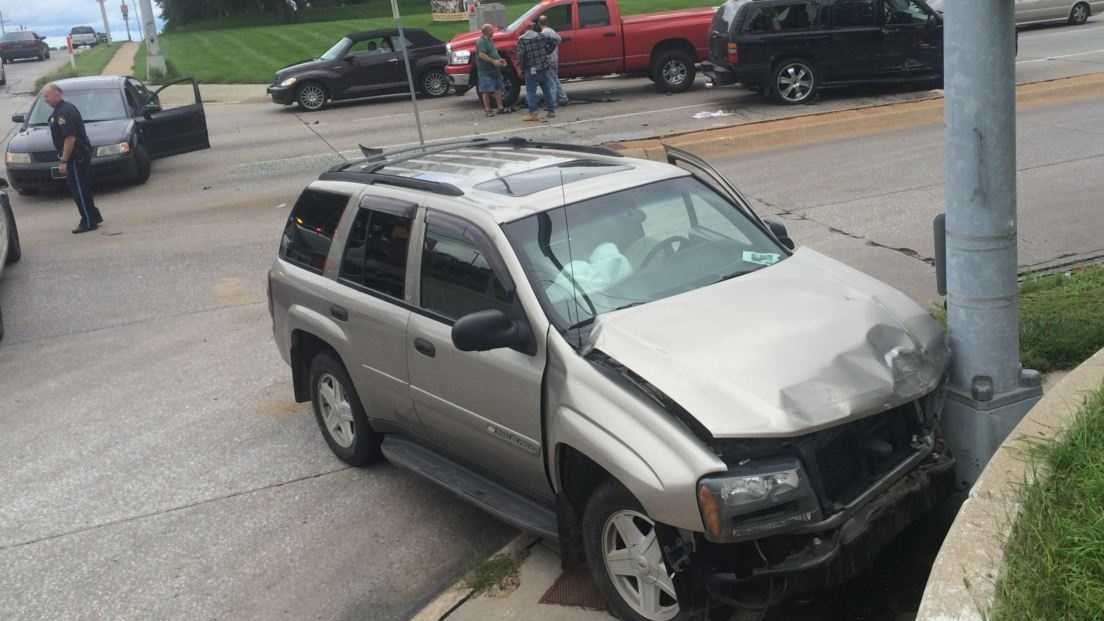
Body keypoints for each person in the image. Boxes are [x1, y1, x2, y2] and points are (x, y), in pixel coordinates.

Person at [44, 83, 102, 234]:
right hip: (77, 155)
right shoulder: (62, 110)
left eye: (47, 96)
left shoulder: (64, 112)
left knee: (79, 190)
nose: (45, 99)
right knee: (83, 187)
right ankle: (94, 216)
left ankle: (88, 222)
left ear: (58, 94)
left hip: (76, 157)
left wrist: (64, 161)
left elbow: (70, 138)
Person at [515, 21, 557, 122]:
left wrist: (520, 68)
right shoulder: (541, 36)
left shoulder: (523, 40)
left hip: (530, 69)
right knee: (546, 89)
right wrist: (547, 52)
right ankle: (551, 111)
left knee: (531, 92)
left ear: (525, 29)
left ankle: (533, 113)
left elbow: (521, 56)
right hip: (543, 67)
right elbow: (554, 42)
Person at [475, 24, 509, 117]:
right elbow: (481, 55)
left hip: (495, 70)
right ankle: (488, 110)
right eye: (491, 30)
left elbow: (494, 53)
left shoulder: (490, 41)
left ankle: (500, 108)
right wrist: (493, 61)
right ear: (486, 31)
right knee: (486, 91)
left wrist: (500, 59)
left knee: (498, 89)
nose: (493, 32)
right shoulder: (481, 42)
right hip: (485, 71)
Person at [538, 15, 569, 107]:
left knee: (551, 81)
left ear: (539, 23)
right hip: (554, 58)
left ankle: (553, 102)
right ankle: (563, 98)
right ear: (547, 22)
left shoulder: (543, 33)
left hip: (548, 60)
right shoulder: (551, 31)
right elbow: (559, 39)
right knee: (555, 79)